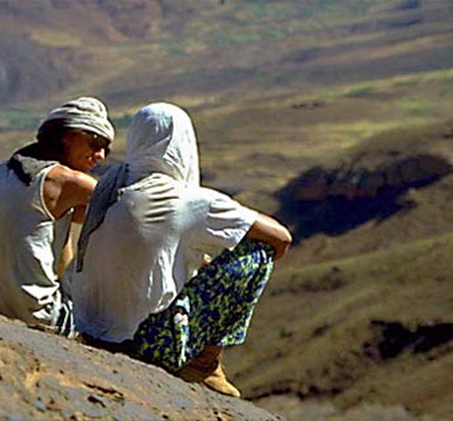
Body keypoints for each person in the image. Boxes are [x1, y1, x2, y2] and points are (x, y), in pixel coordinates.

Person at [71, 103, 292, 397]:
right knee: (258, 253)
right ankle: (205, 363)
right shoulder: (190, 200)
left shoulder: (110, 181)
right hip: (144, 344)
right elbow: (280, 238)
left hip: (86, 327)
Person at [0, 97, 114, 338]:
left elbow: (74, 214)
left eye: (107, 148)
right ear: (67, 136)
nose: (101, 155)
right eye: (96, 142)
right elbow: (130, 212)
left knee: (63, 218)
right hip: (39, 317)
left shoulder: (4, 171)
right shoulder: (66, 181)